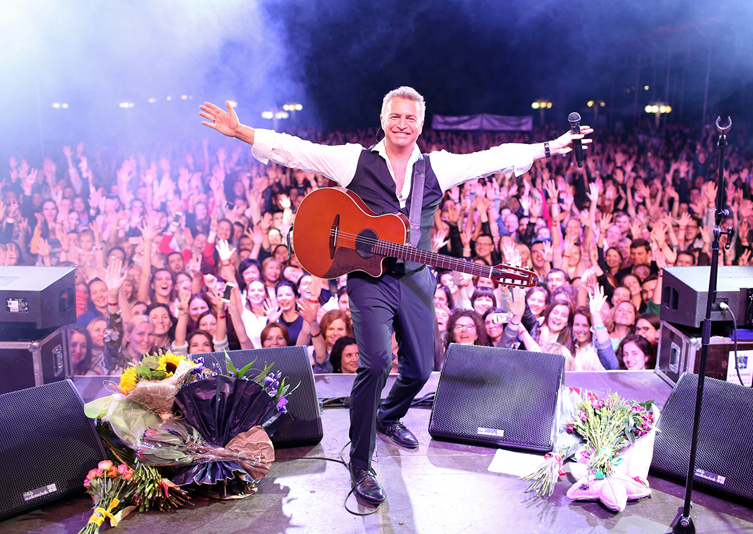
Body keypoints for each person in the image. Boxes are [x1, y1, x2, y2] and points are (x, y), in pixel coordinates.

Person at [200, 86, 591, 505]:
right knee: (376, 363)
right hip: (369, 279)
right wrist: (241, 131)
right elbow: (297, 151)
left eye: (410, 118)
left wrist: (549, 147)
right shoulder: (355, 160)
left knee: (420, 369)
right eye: (396, 116)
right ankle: (361, 463)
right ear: (383, 119)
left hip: (416, 277)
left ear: (420, 125)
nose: (402, 124)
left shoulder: (438, 167)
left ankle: (388, 416)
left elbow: (492, 158)